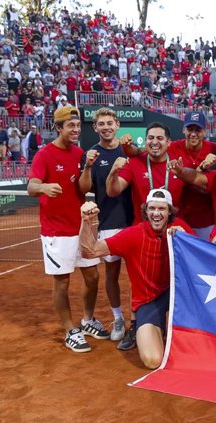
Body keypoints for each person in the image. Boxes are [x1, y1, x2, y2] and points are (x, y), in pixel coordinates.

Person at [79, 189, 194, 369]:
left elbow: (202, 259)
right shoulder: (133, 235)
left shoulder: (180, 227)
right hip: (149, 300)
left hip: (177, 296)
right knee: (152, 360)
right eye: (152, 208)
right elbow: (89, 251)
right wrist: (87, 222)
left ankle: (168, 327)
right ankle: (152, 327)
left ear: (170, 211)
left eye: (162, 209)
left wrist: (186, 240)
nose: (156, 213)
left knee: (194, 349)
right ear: (146, 211)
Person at [27, 105, 110, 353]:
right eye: (70, 126)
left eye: (77, 125)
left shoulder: (80, 153)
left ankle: (87, 320)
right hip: (56, 232)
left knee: (93, 276)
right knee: (62, 282)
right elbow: (31, 187)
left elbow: (84, 188)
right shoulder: (43, 155)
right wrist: (43, 188)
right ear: (58, 128)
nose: (75, 129)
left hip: (81, 227)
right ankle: (69, 330)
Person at [78, 107, 134, 347]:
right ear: (95, 128)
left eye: (110, 122)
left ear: (117, 125)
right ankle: (118, 318)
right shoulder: (91, 155)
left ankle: (139, 319)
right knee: (111, 274)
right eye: (101, 124)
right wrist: (88, 166)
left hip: (134, 221)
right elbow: (83, 189)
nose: (106, 127)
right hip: (109, 223)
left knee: (138, 274)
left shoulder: (127, 151)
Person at [107, 123, 186, 222]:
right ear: (145, 141)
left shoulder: (179, 164)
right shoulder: (134, 162)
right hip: (142, 229)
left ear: (168, 142)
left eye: (160, 138)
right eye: (150, 138)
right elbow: (112, 191)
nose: (154, 142)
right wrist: (114, 172)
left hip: (173, 230)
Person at [166, 110, 216, 240]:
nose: (193, 134)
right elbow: (151, 150)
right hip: (180, 218)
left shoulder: (214, 148)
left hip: (206, 219)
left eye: (198, 130)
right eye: (190, 129)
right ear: (183, 130)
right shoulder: (173, 147)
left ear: (204, 132)